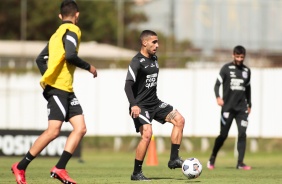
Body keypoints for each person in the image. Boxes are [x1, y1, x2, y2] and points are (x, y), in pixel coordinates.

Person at [11, 0, 97, 183]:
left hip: (66, 89)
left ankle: (59, 168)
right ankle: (20, 166)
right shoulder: (73, 30)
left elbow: (40, 59)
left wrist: (49, 77)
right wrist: (89, 67)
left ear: (60, 16)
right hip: (58, 89)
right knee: (53, 131)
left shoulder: (55, 35)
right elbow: (71, 55)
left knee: (80, 128)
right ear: (77, 15)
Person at [124, 30, 185, 181]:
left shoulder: (154, 58)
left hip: (155, 103)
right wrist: (133, 105)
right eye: (154, 42)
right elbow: (127, 86)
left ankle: (174, 159)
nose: (157, 45)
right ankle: (136, 173)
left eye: (157, 42)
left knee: (179, 120)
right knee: (147, 134)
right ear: (144, 43)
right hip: (140, 106)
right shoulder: (136, 61)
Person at [207, 45, 252, 170]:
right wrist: (218, 97)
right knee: (223, 135)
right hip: (227, 108)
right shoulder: (226, 69)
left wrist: (250, 104)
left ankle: (240, 163)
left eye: (241, 57)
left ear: (244, 57)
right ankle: (212, 158)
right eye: (237, 56)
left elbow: (248, 89)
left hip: (242, 109)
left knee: (242, 134)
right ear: (233, 55)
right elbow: (216, 85)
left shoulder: (247, 71)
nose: (239, 59)